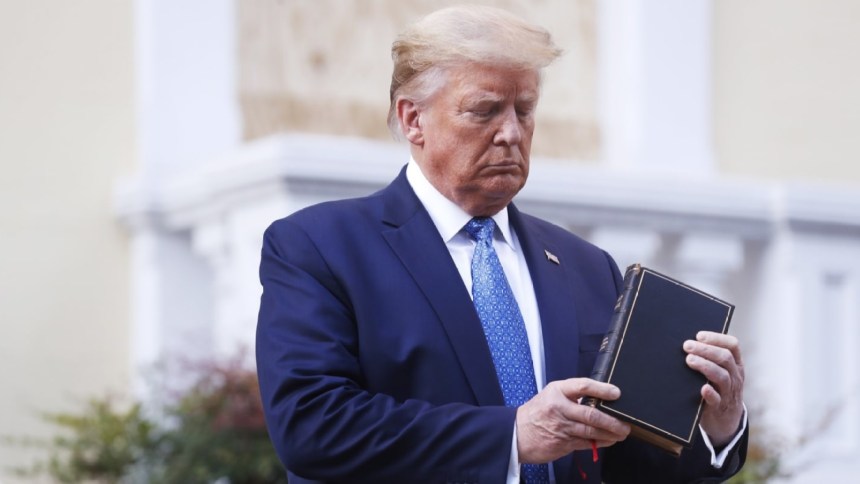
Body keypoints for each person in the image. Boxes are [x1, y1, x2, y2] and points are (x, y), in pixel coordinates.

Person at [256, 5, 748, 483]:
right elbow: (312, 426)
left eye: (525, 110)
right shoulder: (320, 247)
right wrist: (511, 436)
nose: (511, 133)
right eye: (484, 110)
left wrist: (714, 427)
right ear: (413, 120)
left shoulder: (586, 266)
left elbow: (616, 456)